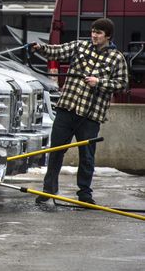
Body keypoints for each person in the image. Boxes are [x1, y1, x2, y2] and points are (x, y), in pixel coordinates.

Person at [31, 18, 128, 206]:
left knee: (87, 156)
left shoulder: (117, 58)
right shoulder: (80, 46)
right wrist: (40, 47)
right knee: (56, 151)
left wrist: (99, 82)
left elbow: (123, 84)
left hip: (90, 116)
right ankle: (48, 190)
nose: (94, 35)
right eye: (93, 31)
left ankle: (84, 194)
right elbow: (57, 51)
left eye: (98, 32)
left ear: (108, 36)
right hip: (67, 108)